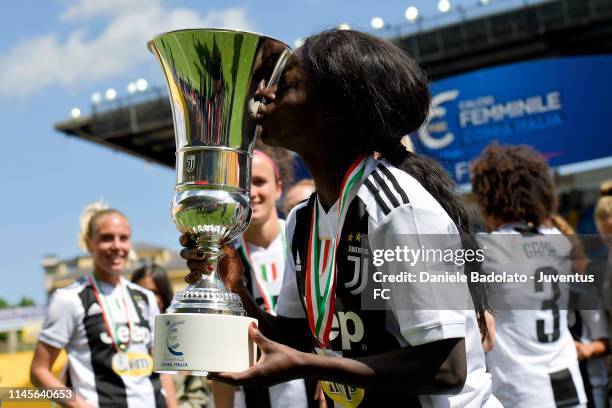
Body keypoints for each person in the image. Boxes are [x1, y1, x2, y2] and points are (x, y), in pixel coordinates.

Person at [181, 29, 498, 407]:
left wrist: (307, 366)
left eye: (289, 85)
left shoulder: (401, 211)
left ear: (333, 112)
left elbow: (446, 369)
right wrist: (236, 292)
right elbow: (297, 341)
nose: (266, 94)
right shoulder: (303, 220)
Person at [472, 144, 588, 407]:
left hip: (522, 391)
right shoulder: (558, 241)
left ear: (490, 196)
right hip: (569, 382)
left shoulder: (487, 248)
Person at [31, 203, 177, 408]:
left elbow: (163, 369)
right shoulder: (70, 299)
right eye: (107, 238)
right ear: (89, 243)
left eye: (123, 238)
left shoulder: (145, 298)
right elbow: (39, 371)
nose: (117, 245)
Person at [214, 145, 313, 408]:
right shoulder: (223, 264)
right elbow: (220, 355)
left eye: (259, 182)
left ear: (278, 188)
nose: (251, 193)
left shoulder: (306, 245)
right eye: (242, 185)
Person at [132, 264, 211, 408]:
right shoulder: (123, 338)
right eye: (140, 292)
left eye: (153, 292)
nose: (148, 298)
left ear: (164, 295)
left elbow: (197, 395)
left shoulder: (181, 340)